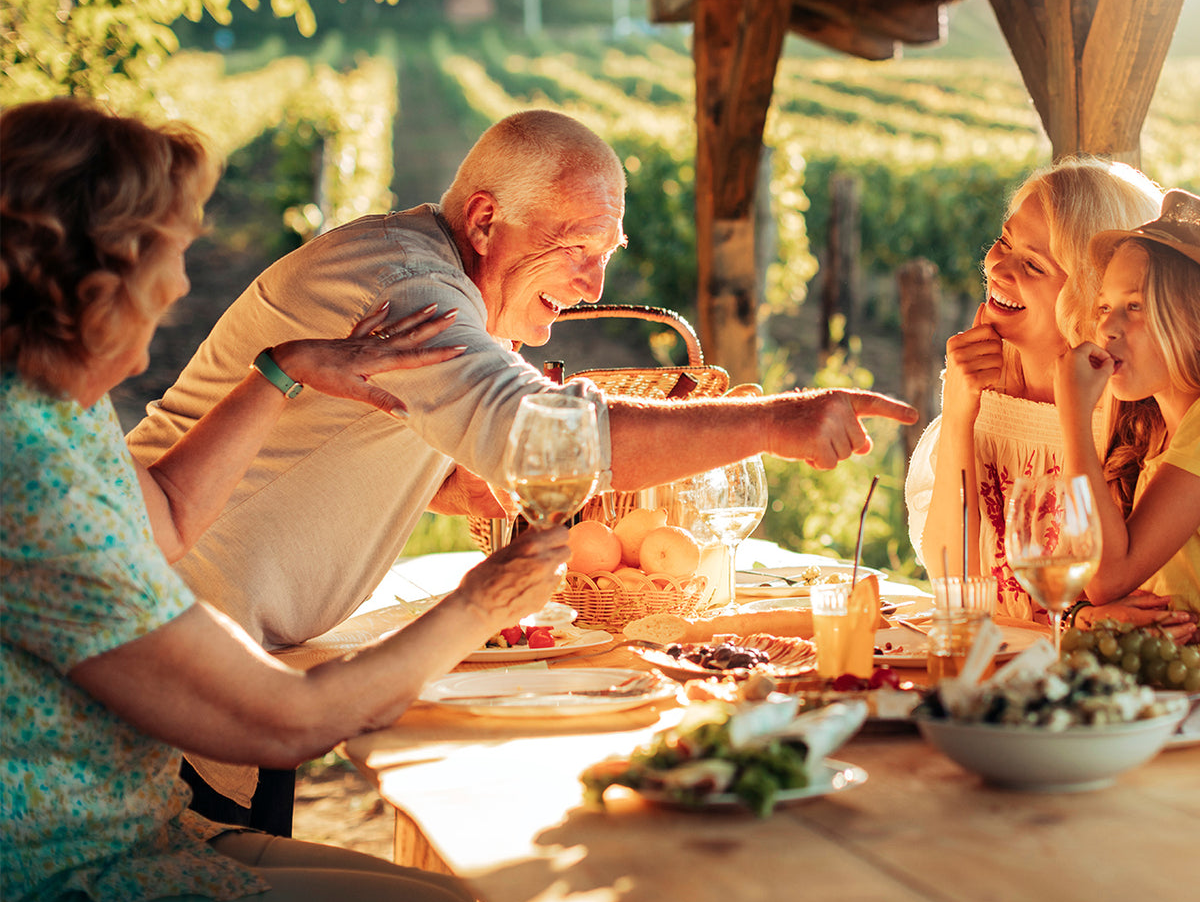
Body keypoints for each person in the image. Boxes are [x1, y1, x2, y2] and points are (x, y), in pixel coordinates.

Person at [1, 98, 571, 902]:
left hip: (130, 821)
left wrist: (284, 370)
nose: (184, 283)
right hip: (57, 874)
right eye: (172, 253)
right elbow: (285, 721)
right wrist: (484, 602)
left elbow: (166, 515)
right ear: (98, 277)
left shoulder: (48, 403)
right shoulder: (32, 475)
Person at [128, 107, 918, 657]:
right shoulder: (412, 292)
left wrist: (446, 483)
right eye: (577, 247)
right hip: (158, 630)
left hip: (198, 628)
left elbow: (349, 432)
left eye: (609, 251)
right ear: (483, 222)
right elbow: (550, 439)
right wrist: (776, 425)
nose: (592, 283)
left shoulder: (433, 275)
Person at [904, 157, 1178, 622]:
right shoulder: (981, 389)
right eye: (1004, 242)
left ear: (1094, 293)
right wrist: (958, 411)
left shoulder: (1135, 415)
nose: (998, 268)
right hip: (992, 666)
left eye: (1033, 264)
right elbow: (954, 583)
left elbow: (1143, 604)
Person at [1055, 189, 1200, 623]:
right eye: (1104, 306)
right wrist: (1087, 616)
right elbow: (1082, 580)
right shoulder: (1153, 432)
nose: (1107, 327)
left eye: (1134, 306)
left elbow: (1105, 576)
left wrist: (1075, 416)